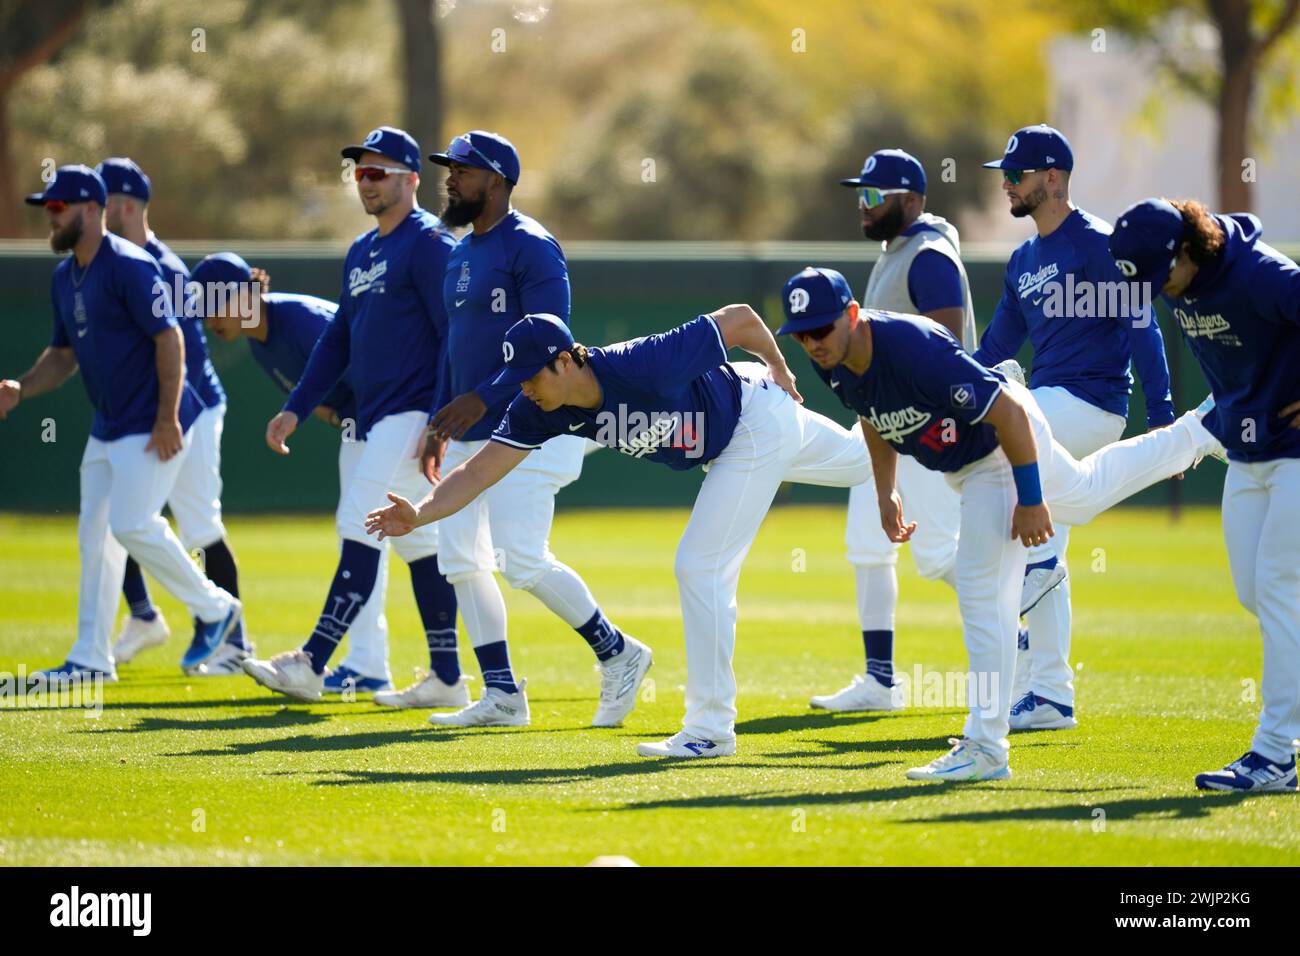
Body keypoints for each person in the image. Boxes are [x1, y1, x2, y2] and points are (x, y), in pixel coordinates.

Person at [366, 307, 871, 757]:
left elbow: (739, 319)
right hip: (743, 421)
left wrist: (780, 367)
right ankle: (919, 427)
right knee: (863, 462)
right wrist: (422, 513)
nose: (523, 388)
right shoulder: (542, 408)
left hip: (752, 421)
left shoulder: (640, 361)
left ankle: (710, 728)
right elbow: (478, 472)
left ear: (566, 361)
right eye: (516, 379)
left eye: (530, 377)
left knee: (700, 567)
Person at [778, 266, 1220, 781]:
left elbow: (1007, 414)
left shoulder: (911, 346)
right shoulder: (835, 361)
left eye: (821, 328)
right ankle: (1202, 429)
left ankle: (986, 747)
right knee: (1085, 492)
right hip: (975, 460)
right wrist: (885, 492)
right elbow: (872, 416)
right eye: (801, 333)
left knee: (980, 590)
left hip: (999, 449)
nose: (812, 342)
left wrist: (1031, 501)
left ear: (851, 316)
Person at [419, 130, 649, 729]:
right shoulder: (461, 252)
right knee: (460, 560)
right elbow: (455, 345)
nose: (451, 179)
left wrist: (484, 396)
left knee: (520, 561)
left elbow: (553, 340)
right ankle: (501, 694)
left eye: (463, 170)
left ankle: (619, 652)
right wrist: (440, 417)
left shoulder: (533, 246)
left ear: (496, 179)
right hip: (471, 427)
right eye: (450, 169)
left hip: (534, 423)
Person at [238, 127, 463, 706]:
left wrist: (439, 419)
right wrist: (295, 408)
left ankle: (312, 661)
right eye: (358, 172)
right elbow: (336, 341)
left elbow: (452, 335)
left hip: (411, 413)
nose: (364, 181)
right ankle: (446, 675)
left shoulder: (428, 242)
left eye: (376, 172)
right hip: (371, 418)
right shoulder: (363, 250)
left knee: (356, 519)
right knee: (417, 544)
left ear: (411, 179)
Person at [0, 166, 241, 679]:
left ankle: (216, 608)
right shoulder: (65, 277)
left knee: (133, 524)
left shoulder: (132, 266)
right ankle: (90, 658)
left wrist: (168, 417)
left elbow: (170, 338)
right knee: (95, 537)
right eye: (47, 208)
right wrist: (22, 387)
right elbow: (62, 356)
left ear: (92, 209)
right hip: (108, 425)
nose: (50, 216)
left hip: (150, 421)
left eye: (58, 208)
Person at [974, 125, 1176, 731]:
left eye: (1017, 174)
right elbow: (994, 351)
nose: (1006, 183)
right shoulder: (1022, 260)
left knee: (1000, 484)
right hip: (1046, 404)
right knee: (1039, 540)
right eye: (1004, 174)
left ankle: (1036, 633)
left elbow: (1145, 328)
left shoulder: (1100, 244)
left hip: (1090, 405)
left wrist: (1163, 419)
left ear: (1053, 178)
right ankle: (1051, 696)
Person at [1111, 197, 1300, 793]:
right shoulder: (1174, 277)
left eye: (1159, 273)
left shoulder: (1262, 274)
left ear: (1190, 247)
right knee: (1256, 593)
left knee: (1278, 586)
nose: (1156, 288)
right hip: (1248, 452)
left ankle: (1274, 755)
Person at [814, 148, 976, 713]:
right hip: (885, 426)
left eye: (872, 195)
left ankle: (1027, 634)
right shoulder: (898, 250)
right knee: (867, 547)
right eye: (859, 195)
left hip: (931, 429)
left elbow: (945, 347)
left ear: (910, 199)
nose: (862, 205)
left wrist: (914, 420)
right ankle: (880, 681)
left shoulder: (928, 254)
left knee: (936, 556)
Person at [191, 252, 394, 692]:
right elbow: (323, 401)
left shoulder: (295, 319)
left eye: (213, 304)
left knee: (378, 537)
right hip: (365, 428)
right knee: (366, 536)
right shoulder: (258, 342)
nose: (208, 319)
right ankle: (370, 662)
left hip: (388, 422)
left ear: (244, 293)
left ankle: (374, 663)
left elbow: (368, 364)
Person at [95, 157, 248, 675]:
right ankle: (143, 615)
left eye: (103, 201)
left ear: (127, 205)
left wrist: (170, 418)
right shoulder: (111, 263)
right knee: (122, 515)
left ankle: (233, 642)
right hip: (152, 410)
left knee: (198, 523)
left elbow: (177, 351)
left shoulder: (160, 265)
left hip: (192, 407)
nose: (95, 210)